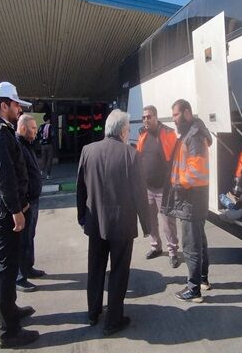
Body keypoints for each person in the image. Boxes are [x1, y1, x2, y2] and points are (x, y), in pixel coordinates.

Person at [76, 109, 150, 336]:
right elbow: (140, 193)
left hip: (95, 222)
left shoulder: (88, 150)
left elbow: (81, 188)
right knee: (118, 271)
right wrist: (147, 225)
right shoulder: (131, 155)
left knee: (95, 268)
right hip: (122, 225)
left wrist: (82, 216)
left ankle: (93, 313)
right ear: (124, 131)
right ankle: (113, 320)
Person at [0, 81, 39, 348]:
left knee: (9, 264)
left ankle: (11, 310)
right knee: (6, 268)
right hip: (4, 210)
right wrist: (16, 210)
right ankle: (9, 332)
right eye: (16, 105)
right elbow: (5, 177)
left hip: (3, 206)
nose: (19, 109)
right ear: (4, 105)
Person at [161, 99, 212, 303]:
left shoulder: (194, 136)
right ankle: (203, 280)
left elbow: (195, 171)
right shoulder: (190, 133)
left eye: (176, 115)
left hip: (190, 198)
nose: (173, 119)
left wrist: (177, 185)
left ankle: (193, 290)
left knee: (191, 246)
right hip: (194, 198)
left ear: (187, 113)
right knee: (199, 241)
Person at [136, 105, 180, 268]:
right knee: (150, 220)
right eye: (144, 117)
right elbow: (139, 157)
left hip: (164, 188)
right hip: (147, 187)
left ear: (156, 117)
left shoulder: (168, 133)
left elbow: (176, 158)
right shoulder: (142, 134)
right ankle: (156, 247)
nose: (146, 120)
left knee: (168, 222)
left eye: (149, 117)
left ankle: (173, 251)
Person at [15, 114, 46, 293]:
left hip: (33, 201)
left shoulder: (27, 144)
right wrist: (23, 201)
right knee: (22, 240)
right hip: (26, 203)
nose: (36, 131)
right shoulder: (18, 146)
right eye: (33, 128)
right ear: (23, 128)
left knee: (29, 236)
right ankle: (19, 277)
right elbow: (17, 177)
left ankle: (28, 268)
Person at [37, 114, 55, 179]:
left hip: (43, 145)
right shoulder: (51, 126)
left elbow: (38, 134)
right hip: (49, 144)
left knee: (43, 158)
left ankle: (41, 172)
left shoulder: (41, 126)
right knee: (49, 159)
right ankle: (48, 175)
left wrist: (40, 140)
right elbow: (52, 135)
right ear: (48, 120)